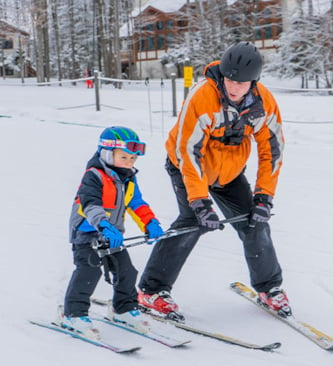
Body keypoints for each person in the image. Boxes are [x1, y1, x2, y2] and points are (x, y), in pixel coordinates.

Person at [138, 41, 290, 321]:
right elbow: (188, 152)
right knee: (193, 223)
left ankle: (269, 288)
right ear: (222, 73)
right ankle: (152, 290)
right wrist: (199, 201)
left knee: (255, 221)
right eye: (230, 79)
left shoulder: (264, 102)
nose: (234, 87)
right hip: (188, 167)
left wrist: (264, 196)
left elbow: (273, 150)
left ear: (253, 82)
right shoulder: (202, 97)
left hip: (229, 173)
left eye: (242, 83)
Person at [59, 126, 164, 339]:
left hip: (112, 234)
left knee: (126, 270)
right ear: (107, 153)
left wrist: (150, 223)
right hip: (87, 233)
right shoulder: (93, 176)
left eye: (133, 158)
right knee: (89, 270)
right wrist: (104, 226)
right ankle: (73, 314)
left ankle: (123, 309)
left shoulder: (128, 179)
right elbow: (90, 206)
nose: (129, 162)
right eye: (124, 157)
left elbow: (137, 203)